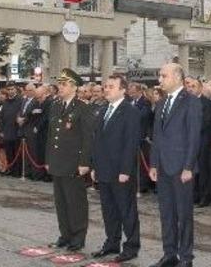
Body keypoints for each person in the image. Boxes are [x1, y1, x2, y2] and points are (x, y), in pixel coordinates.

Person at [148, 63, 202, 267]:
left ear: (178, 78)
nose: (160, 80)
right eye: (160, 76)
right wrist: (154, 163)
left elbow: (193, 137)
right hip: (163, 167)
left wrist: (188, 166)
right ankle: (169, 253)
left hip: (181, 168)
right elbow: (157, 136)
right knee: (166, 213)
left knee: (184, 215)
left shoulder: (191, 101)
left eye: (164, 76)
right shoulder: (162, 103)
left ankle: (186, 257)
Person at [91, 74, 141, 264]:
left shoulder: (130, 112)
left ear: (122, 90)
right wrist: (95, 165)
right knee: (108, 210)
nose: (106, 89)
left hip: (120, 171)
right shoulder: (103, 110)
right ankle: (112, 242)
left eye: (111, 86)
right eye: (105, 86)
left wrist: (125, 171)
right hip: (104, 169)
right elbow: (97, 141)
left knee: (126, 210)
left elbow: (130, 144)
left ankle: (131, 246)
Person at [46, 68, 95, 253]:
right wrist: (48, 159)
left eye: (64, 84)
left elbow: (87, 138)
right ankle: (65, 235)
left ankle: (78, 237)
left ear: (74, 87)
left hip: (73, 163)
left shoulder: (83, 108)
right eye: (60, 84)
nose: (60, 87)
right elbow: (51, 136)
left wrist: (84, 163)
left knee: (76, 202)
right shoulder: (56, 105)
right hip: (57, 161)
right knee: (61, 202)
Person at [185, 77, 211, 207]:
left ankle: (205, 196)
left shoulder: (207, 103)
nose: (190, 89)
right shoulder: (184, 103)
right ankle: (193, 195)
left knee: (203, 170)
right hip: (186, 142)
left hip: (202, 141)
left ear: (200, 88)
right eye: (189, 86)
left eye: (193, 86)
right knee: (190, 169)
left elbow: (206, 122)